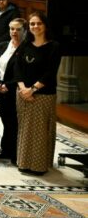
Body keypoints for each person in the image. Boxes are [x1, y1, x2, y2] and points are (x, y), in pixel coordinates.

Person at [14, 12, 62, 175]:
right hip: (22, 93)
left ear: (45, 26)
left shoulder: (54, 46)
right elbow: (17, 68)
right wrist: (22, 88)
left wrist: (32, 89)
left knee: (40, 131)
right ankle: (24, 162)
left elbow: (50, 73)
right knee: (25, 129)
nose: (35, 26)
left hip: (43, 94)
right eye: (32, 24)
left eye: (39, 23)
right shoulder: (25, 44)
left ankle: (38, 165)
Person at [0, 18, 25, 163]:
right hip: (0, 88)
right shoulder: (3, 45)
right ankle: (6, 150)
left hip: (16, 89)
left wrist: (9, 86)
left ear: (24, 31)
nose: (14, 32)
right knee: (5, 119)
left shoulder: (26, 48)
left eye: (18, 29)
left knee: (15, 121)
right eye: (12, 29)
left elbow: (24, 73)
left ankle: (16, 153)